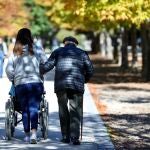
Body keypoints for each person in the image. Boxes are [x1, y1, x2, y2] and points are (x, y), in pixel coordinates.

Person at [40, 36, 94, 145]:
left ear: (65, 43)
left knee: (63, 110)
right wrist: (85, 80)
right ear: (75, 44)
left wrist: (39, 67)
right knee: (75, 110)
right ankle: (75, 138)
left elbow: (46, 67)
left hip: (61, 85)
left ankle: (65, 136)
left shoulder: (57, 52)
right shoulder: (82, 53)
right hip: (77, 85)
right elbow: (90, 70)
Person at [5, 28, 47, 144]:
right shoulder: (37, 48)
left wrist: (13, 79)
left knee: (25, 109)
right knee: (34, 107)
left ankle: (27, 134)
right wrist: (41, 73)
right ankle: (34, 133)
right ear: (30, 36)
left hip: (20, 84)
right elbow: (45, 63)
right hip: (35, 82)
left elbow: (8, 69)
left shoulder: (16, 50)